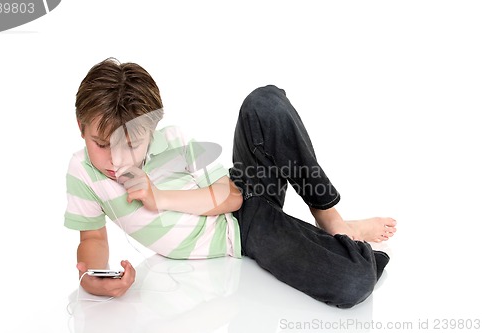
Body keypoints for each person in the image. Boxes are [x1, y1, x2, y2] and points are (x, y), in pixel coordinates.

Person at [65, 58, 396, 308]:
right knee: (355, 281)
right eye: (102, 144)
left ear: (150, 133)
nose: (116, 161)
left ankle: (330, 218)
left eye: (132, 146)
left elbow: (232, 197)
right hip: (243, 233)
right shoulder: (83, 172)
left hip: (240, 207)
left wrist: (159, 196)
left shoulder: (171, 142)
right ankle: (343, 243)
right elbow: (92, 236)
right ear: (82, 128)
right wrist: (93, 277)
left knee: (263, 102)